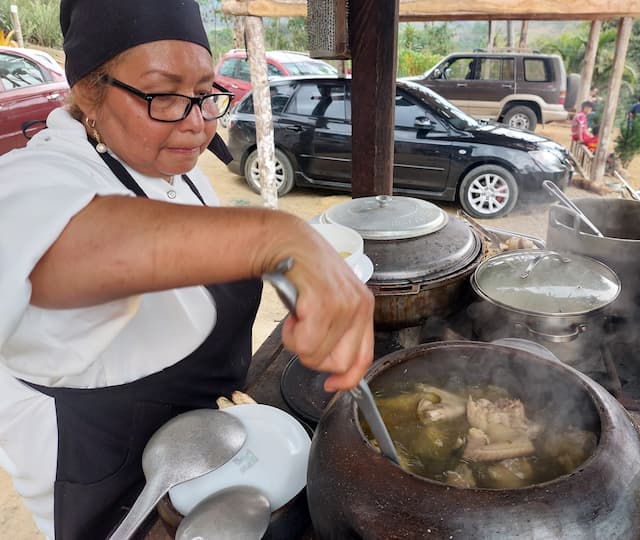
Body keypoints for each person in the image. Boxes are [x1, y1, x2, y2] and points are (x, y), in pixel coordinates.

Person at [0, 1, 374, 539]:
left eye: (204, 94)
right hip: (119, 502)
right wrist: (275, 236)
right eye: (164, 94)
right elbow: (45, 250)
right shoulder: (38, 174)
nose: (197, 122)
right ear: (87, 89)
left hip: (220, 459)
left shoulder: (175, 168)